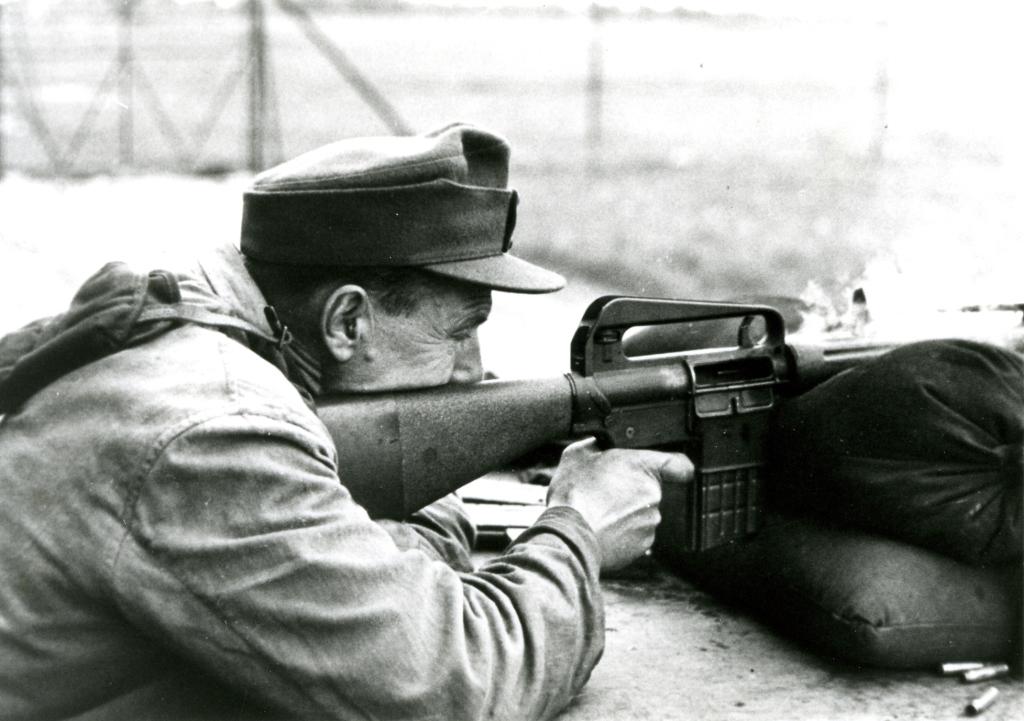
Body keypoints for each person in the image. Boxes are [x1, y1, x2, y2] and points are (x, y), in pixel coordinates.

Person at [0, 123, 691, 720]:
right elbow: (460, 687)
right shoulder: (219, 429)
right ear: (348, 321)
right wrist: (579, 530)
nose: (471, 372)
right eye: (458, 332)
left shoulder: (207, 320)